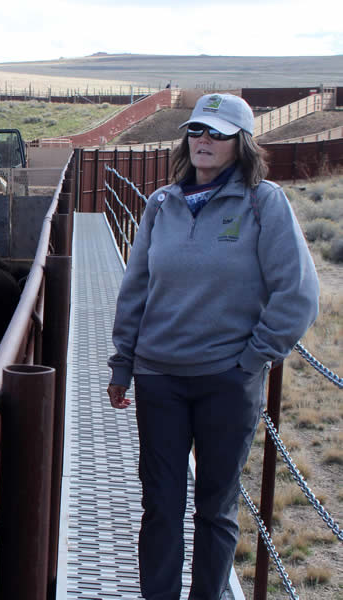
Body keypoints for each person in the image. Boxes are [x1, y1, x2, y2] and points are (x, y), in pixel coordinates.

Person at [106, 93, 319, 600]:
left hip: (227, 380)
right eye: (198, 130)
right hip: (158, 379)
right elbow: (136, 288)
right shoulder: (161, 204)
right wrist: (123, 363)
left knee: (215, 508)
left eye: (219, 133)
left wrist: (251, 359)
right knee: (160, 505)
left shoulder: (262, 202)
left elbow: (299, 292)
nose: (205, 141)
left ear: (240, 143)